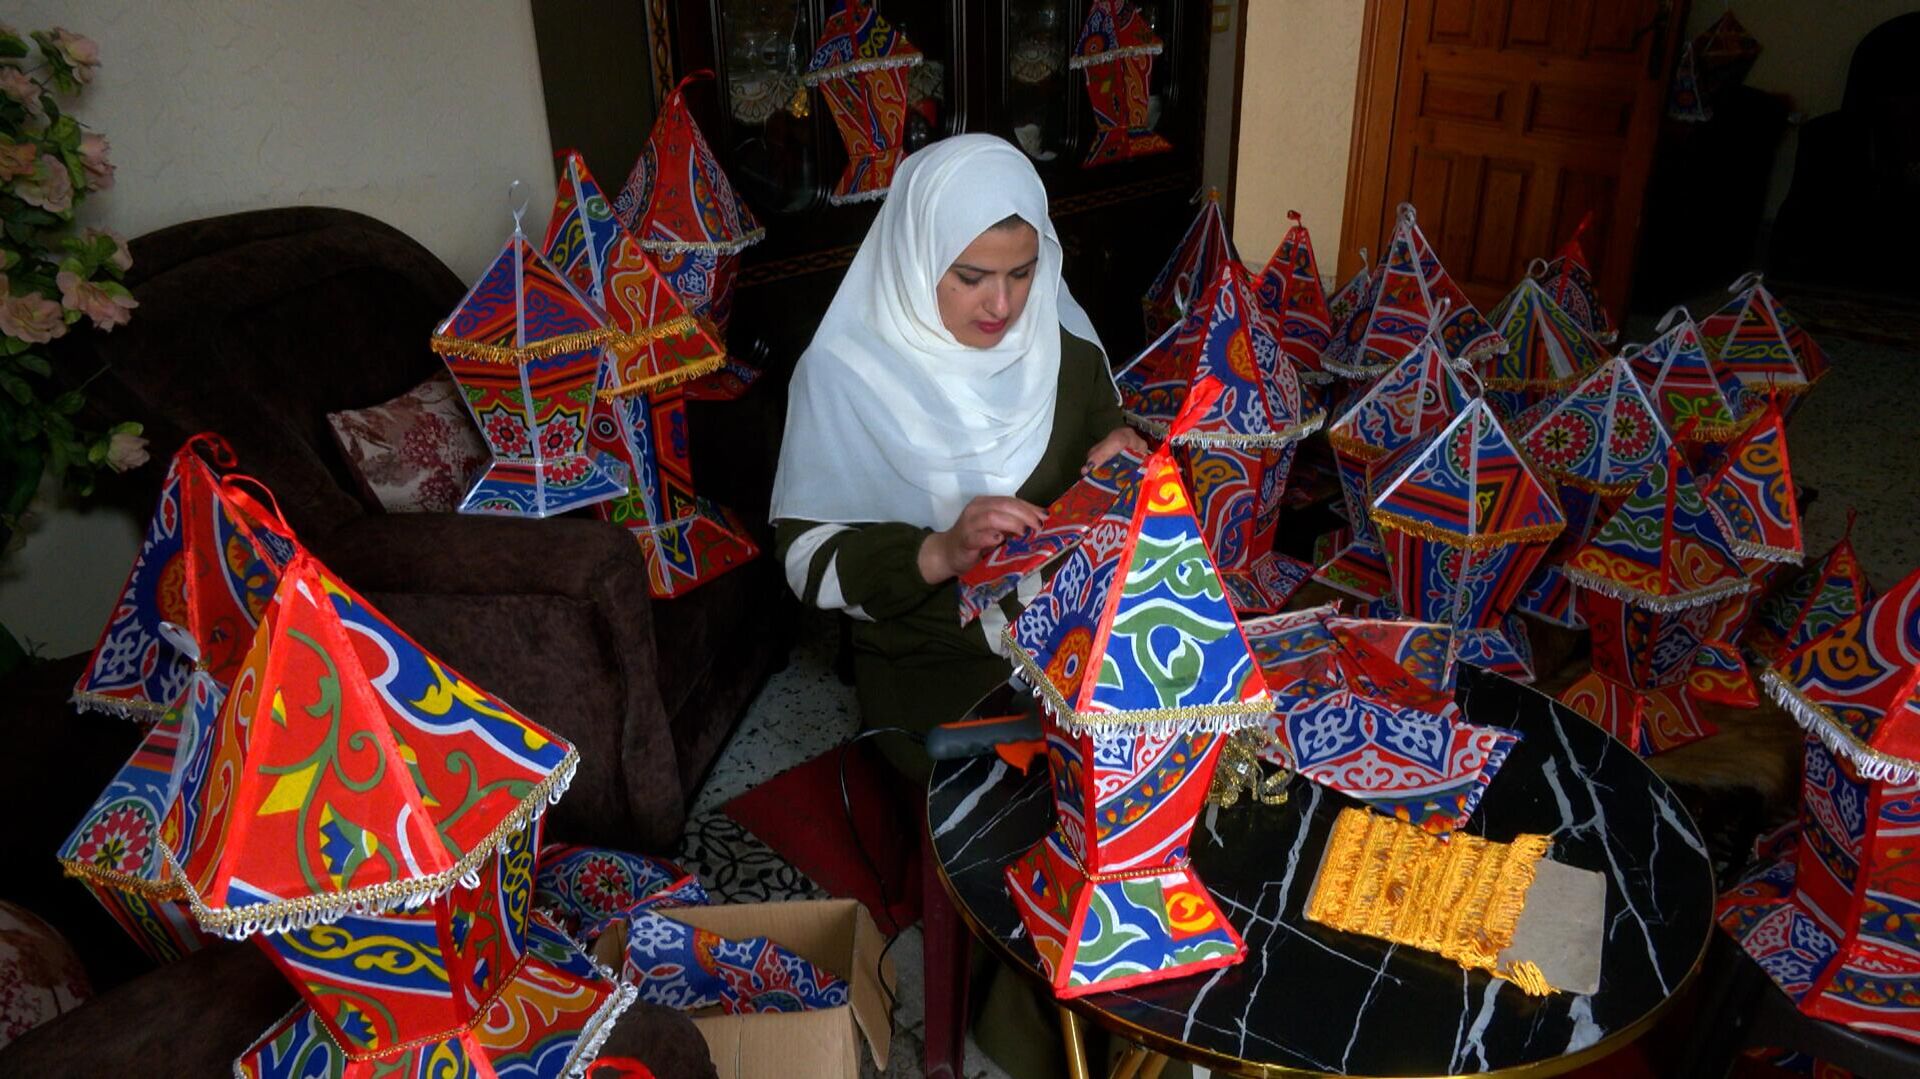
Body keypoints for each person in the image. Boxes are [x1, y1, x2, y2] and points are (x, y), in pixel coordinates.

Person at [771, 133, 1147, 784]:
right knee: (1015, 789)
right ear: (917, 259)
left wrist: (1123, 455)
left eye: (1023, 272)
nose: (1003, 306)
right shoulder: (844, 375)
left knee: (1168, 737)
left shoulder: (1063, 353)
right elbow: (805, 560)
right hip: (930, 655)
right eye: (972, 277)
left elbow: (1109, 439)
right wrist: (940, 552)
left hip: (1072, 631)